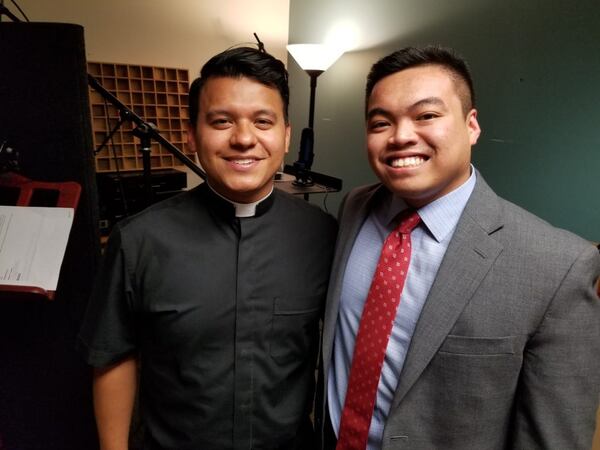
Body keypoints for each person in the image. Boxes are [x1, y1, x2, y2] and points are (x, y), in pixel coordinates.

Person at [317, 46, 600, 449]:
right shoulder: (355, 208)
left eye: (426, 115)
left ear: (471, 126)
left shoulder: (557, 266)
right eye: (381, 123)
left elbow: (553, 437)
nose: (401, 136)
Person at [78, 46, 337, 450]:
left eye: (263, 121)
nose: (244, 139)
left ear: (285, 136)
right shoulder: (138, 240)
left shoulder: (324, 235)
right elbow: (113, 355)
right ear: (192, 135)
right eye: (221, 121)